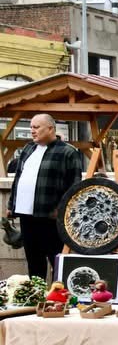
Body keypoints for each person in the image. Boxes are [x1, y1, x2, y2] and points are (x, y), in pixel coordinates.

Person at [6, 114, 84, 281]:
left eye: (36, 127)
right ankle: (37, 297)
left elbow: (74, 187)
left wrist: (61, 211)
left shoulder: (68, 152)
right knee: (33, 261)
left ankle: (60, 297)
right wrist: (11, 205)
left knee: (56, 260)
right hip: (26, 215)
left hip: (51, 217)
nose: (32, 131)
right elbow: (18, 179)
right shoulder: (28, 149)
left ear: (50, 128)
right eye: (31, 127)